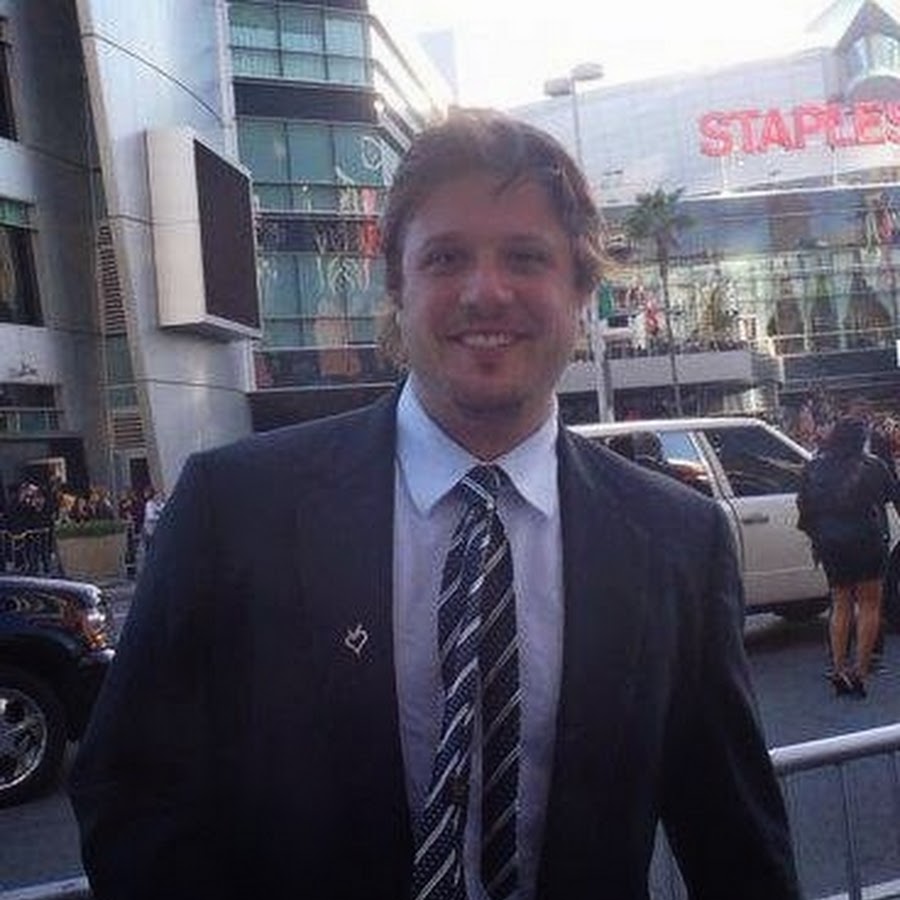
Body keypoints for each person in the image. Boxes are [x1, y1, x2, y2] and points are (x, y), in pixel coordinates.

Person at [70, 109, 800, 900]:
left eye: (525, 257)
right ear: (398, 286)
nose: (485, 292)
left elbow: (736, 841)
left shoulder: (677, 541)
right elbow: (132, 794)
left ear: (580, 290)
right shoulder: (234, 510)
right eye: (447, 258)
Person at [797, 417, 900, 697]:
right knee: (869, 605)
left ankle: (839, 667)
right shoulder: (873, 466)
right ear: (861, 440)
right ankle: (861, 670)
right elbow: (893, 497)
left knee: (840, 602)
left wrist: (818, 537)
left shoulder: (814, 467)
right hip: (867, 538)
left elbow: (804, 508)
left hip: (830, 542)